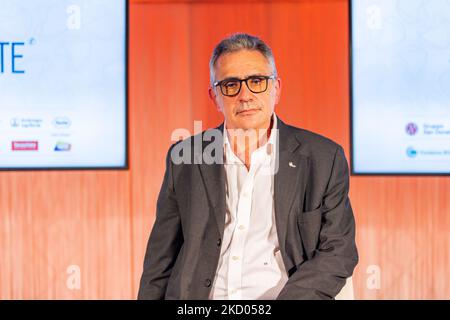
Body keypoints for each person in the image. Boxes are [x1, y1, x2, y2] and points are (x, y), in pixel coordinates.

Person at [138, 33, 358, 300]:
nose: (245, 95)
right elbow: (160, 259)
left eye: (257, 81)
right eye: (231, 85)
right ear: (214, 96)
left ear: (276, 88)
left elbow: (338, 252)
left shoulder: (323, 158)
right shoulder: (185, 158)